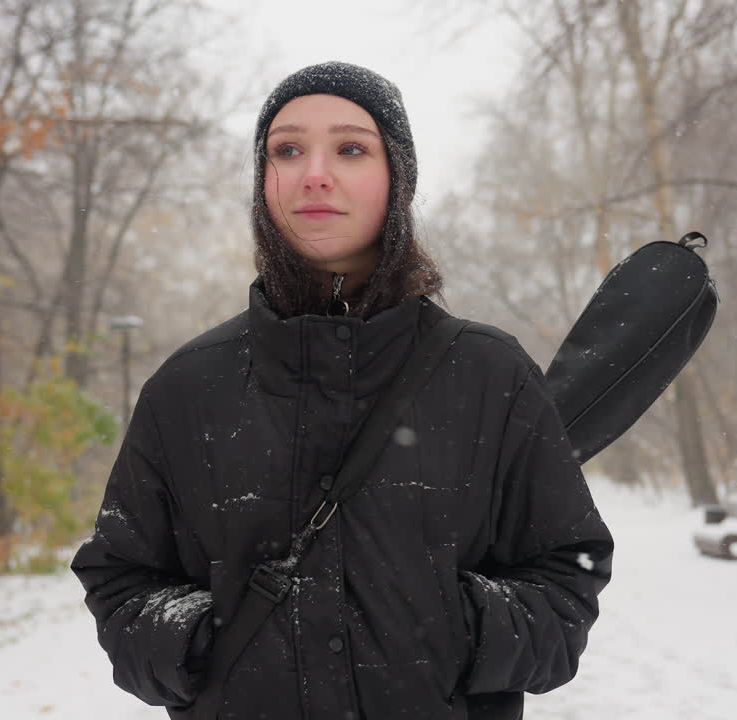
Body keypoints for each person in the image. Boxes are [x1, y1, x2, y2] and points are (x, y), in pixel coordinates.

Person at [71, 61, 614, 720]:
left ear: (399, 178)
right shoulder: (188, 388)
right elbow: (120, 574)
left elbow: (567, 571)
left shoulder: (488, 373)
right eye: (287, 149)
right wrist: (191, 646)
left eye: (351, 148)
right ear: (262, 182)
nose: (313, 173)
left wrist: (459, 631)